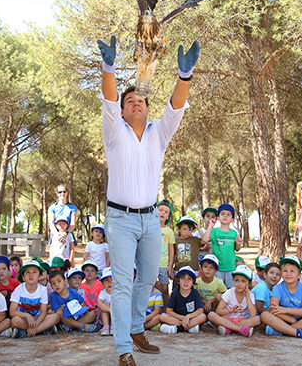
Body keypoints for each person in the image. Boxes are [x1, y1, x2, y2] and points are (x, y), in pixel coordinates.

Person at [98, 33, 197, 365]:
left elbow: (175, 107)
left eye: (140, 100)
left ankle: (137, 328)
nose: (135, 103)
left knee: (149, 278)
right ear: (124, 112)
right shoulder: (114, 133)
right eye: (129, 102)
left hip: (151, 220)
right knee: (123, 283)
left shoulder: (159, 132)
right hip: (121, 220)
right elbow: (109, 102)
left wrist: (184, 76)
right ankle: (124, 347)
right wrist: (108, 67)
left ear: (147, 108)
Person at [260, 255, 302, 339]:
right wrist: (291, 319)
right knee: (265, 315)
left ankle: (280, 331)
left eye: (292, 271)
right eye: (285, 271)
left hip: (300, 320)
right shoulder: (278, 288)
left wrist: (285, 310)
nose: (288, 274)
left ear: (299, 275)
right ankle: (298, 333)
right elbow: (273, 309)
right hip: (282, 319)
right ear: (281, 274)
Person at [10, 259, 59, 338]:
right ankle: (44, 330)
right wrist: (26, 315)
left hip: (38, 319)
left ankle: (27, 332)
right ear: (23, 277)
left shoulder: (43, 290)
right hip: (25, 320)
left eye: (34, 272)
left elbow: (43, 312)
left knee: (55, 317)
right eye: (27, 272)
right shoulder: (19, 289)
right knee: (14, 321)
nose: (31, 275)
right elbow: (12, 312)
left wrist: (35, 326)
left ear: (39, 276)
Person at [208, 265, 260, 337]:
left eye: (243, 281)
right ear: (233, 280)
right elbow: (218, 311)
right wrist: (230, 310)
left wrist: (247, 297)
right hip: (227, 319)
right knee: (211, 315)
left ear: (248, 283)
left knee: (257, 319)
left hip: (242, 321)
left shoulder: (250, 295)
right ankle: (239, 329)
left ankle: (228, 328)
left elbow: (253, 315)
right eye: (237, 280)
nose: (239, 284)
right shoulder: (229, 292)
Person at [202, 203, 243, 288]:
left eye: (228, 215)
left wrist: (238, 244)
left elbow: (236, 249)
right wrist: (210, 226)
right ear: (218, 218)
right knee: (218, 291)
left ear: (232, 219)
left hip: (231, 267)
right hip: (217, 268)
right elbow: (204, 240)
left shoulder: (234, 233)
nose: (225, 216)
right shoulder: (214, 231)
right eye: (222, 214)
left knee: (230, 291)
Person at [158, 266, 207, 334]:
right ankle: (189, 328)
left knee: (203, 316)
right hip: (177, 318)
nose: (186, 281)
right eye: (183, 278)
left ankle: (177, 329)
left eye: (189, 279)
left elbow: (200, 310)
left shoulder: (195, 293)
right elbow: (169, 311)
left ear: (193, 283)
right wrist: (183, 318)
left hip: (191, 318)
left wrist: (188, 317)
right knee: (162, 316)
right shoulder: (175, 293)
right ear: (178, 281)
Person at [48, 184, 78, 266]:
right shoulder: (52, 207)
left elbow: (73, 223)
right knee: (53, 261)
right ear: (57, 193)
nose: (62, 193)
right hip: (55, 236)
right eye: (60, 192)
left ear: (67, 193)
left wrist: (66, 233)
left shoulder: (72, 208)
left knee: (69, 261)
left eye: (64, 191)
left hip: (68, 236)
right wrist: (58, 235)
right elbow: (51, 222)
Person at [156, 200, 175, 311]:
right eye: (160, 210)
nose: (163, 213)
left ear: (168, 217)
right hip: (151, 264)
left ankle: (166, 311)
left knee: (165, 288)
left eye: (166, 212)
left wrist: (170, 265)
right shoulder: (150, 228)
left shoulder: (169, 231)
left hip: (163, 264)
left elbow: (171, 249)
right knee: (152, 284)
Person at [98, 267, 113, 336]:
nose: (110, 283)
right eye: (107, 280)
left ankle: (114, 326)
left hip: (117, 316)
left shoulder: (118, 292)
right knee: (104, 305)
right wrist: (109, 310)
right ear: (103, 283)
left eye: (112, 280)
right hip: (106, 316)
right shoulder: (103, 292)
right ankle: (106, 326)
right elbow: (99, 303)